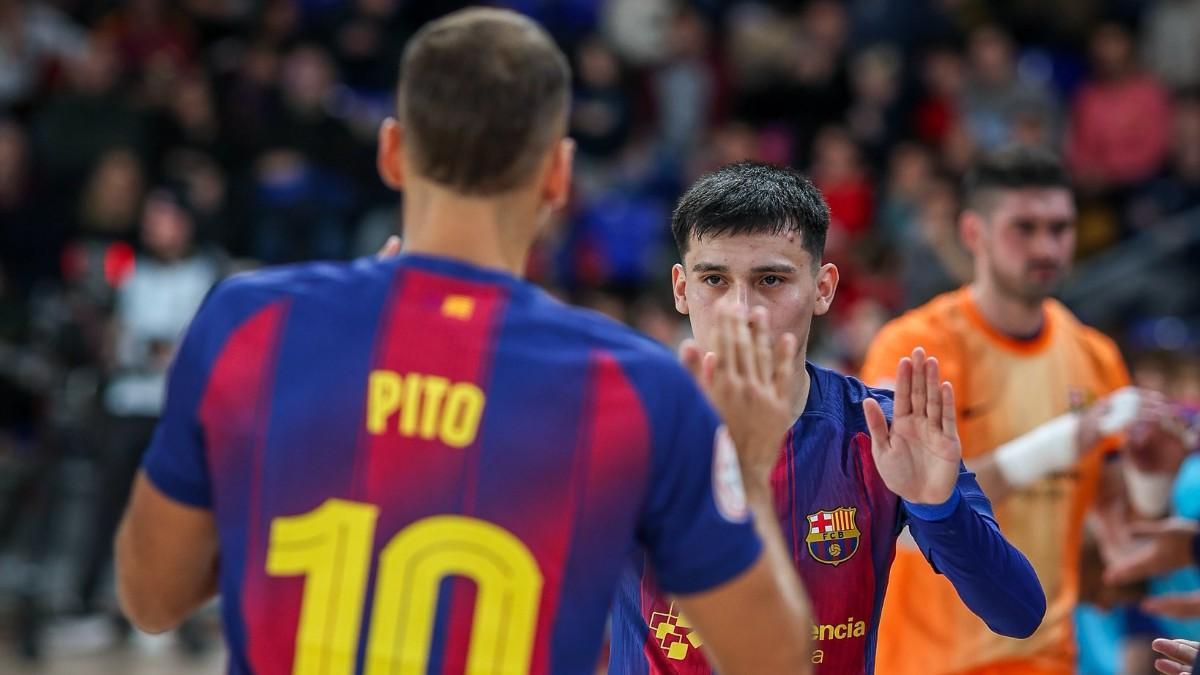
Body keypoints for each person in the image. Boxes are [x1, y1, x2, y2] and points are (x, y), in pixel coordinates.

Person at [112, 9, 815, 674]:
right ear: (557, 174)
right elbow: (774, 660)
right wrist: (747, 477)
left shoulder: (249, 321)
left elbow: (151, 598)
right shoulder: (637, 385)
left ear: (392, 151)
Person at [609, 161, 1044, 674]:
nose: (741, 308)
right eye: (714, 280)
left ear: (823, 288)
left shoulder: (882, 431)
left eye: (771, 279)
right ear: (681, 288)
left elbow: (1018, 613)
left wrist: (938, 507)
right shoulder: (619, 428)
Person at [864, 146, 1181, 675]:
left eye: (1060, 228)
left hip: (1048, 656)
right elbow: (899, 519)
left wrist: (1151, 481)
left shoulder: (1094, 355)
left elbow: (1120, 542)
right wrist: (1062, 442)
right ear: (973, 234)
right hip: (928, 661)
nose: (1047, 246)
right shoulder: (917, 345)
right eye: (1024, 228)